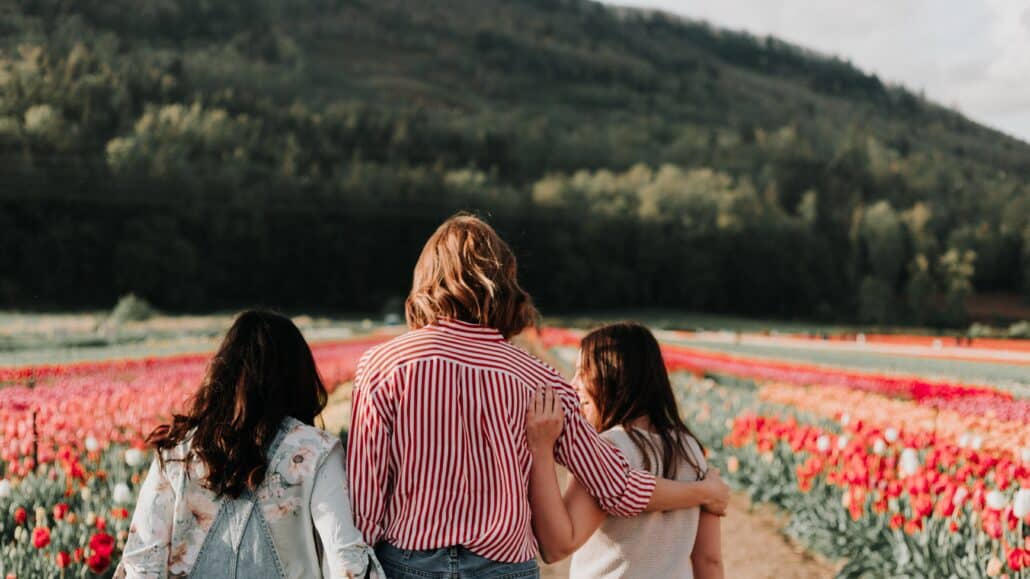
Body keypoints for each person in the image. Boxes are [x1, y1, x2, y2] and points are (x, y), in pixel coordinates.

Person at [347, 215, 729, 578]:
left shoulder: (383, 366)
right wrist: (701, 491)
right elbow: (617, 487)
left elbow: (366, 499)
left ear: (426, 281)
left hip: (407, 563)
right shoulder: (538, 380)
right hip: (503, 567)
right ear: (503, 282)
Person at [116, 310, 382, 579]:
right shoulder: (315, 451)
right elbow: (346, 563)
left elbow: (143, 563)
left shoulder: (178, 450)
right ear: (297, 376)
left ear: (222, 372)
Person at [526, 322, 724, 579]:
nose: (573, 385)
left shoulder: (607, 449)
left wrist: (541, 450)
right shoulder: (691, 449)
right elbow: (709, 560)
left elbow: (556, 546)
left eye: (582, 372)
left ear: (612, 376)